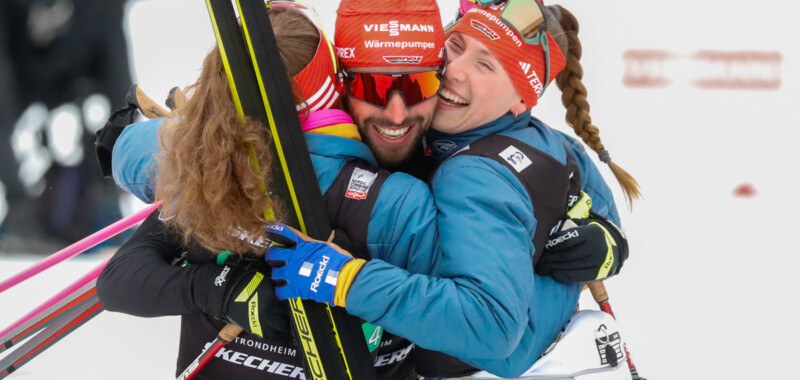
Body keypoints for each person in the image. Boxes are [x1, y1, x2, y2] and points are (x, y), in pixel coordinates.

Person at [102, 0, 630, 378]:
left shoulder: (434, 183)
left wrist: (601, 241)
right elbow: (127, 272)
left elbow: (487, 321)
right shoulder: (228, 169)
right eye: (375, 87)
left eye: (419, 84)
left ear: (523, 103)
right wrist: (228, 290)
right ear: (341, 87)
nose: (397, 111)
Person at [263, 0, 639, 378]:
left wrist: (345, 280)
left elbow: (491, 327)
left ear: (521, 100)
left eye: (486, 65)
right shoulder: (545, 139)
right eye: (455, 48)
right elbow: (591, 190)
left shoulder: (473, 174)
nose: (453, 71)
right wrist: (610, 238)